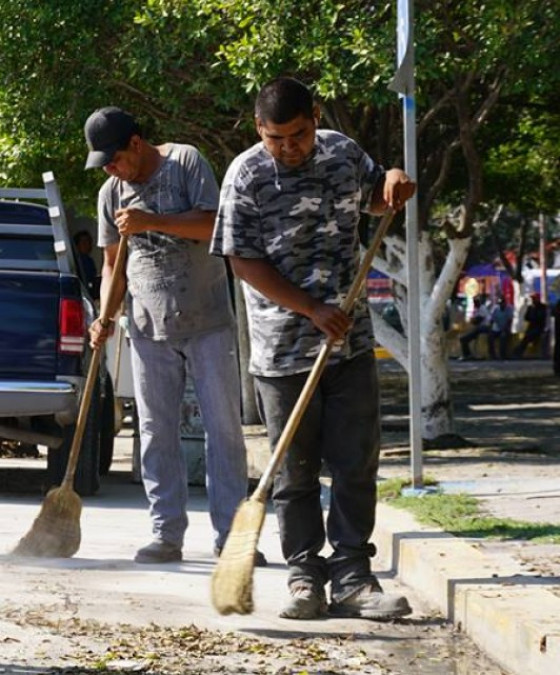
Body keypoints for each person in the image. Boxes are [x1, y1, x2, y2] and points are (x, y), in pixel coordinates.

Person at [211, 77, 416, 621]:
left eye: (298, 135)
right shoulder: (246, 176)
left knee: (355, 463)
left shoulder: (344, 153)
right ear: (259, 129)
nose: (288, 148)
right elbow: (241, 260)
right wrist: (310, 308)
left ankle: (353, 577)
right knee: (294, 473)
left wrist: (393, 181)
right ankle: (304, 576)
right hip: (282, 350)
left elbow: (376, 197)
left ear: (316, 118)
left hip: (350, 343)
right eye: (275, 138)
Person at [82, 106, 255, 567]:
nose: (113, 170)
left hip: (207, 322)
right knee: (156, 432)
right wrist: (105, 315)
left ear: (136, 144)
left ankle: (231, 538)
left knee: (224, 430)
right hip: (147, 329)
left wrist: (151, 221)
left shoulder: (185, 162)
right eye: (105, 165)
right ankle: (165, 534)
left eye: (116, 160)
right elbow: (112, 264)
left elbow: (214, 226)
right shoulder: (110, 193)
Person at [458, 294, 494, 360]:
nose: (475, 303)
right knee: (463, 339)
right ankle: (467, 354)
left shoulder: (483, 308)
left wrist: (473, 320)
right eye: (474, 301)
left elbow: (477, 320)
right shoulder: (476, 309)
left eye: (476, 301)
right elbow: (473, 320)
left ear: (479, 301)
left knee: (476, 329)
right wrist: (472, 320)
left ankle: (468, 353)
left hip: (486, 327)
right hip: (479, 328)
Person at [513, 293, 547, 358]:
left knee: (528, 337)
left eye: (534, 299)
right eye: (532, 299)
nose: (532, 300)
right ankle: (518, 353)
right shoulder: (530, 307)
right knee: (526, 337)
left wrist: (533, 317)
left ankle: (518, 352)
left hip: (539, 328)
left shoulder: (542, 307)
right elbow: (526, 317)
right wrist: (532, 317)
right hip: (531, 328)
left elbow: (540, 318)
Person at [72, 230, 100, 298]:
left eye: (88, 242)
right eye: (83, 242)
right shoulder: (75, 261)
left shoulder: (89, 260)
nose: (87, 245)